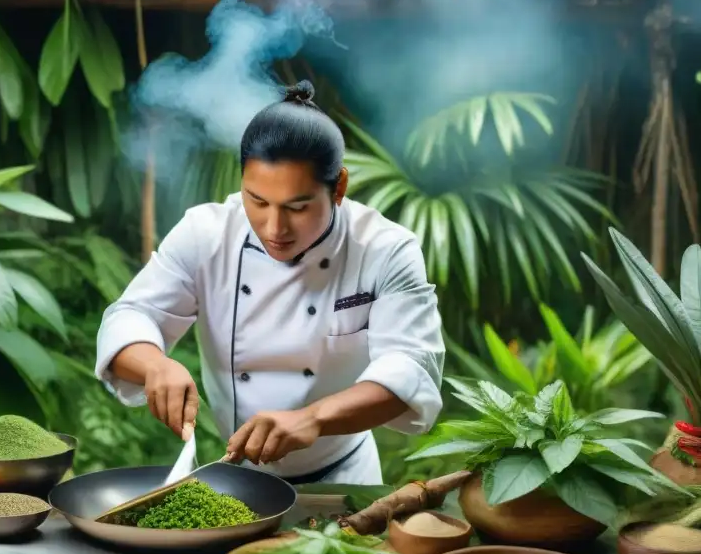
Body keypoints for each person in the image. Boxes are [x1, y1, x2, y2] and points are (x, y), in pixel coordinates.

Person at [95, 81, 445, 485]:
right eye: (257, 201)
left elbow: (410, 368)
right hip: (241, 479)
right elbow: (131, 315)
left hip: (344, 477)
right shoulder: (206, 233)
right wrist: (155, 365)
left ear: (340, 187)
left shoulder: (385, 249)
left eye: (297, 207)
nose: (274, 227)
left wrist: (312, 419)